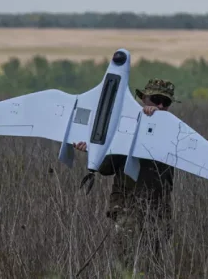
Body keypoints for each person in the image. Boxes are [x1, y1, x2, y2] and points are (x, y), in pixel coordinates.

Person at [73, 78, 180, 270]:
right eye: (155, 99)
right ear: (144, 99)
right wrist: (92, 151)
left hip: (158, 210)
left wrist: (154, 124)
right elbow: (106, 168)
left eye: (166, 102)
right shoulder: (126, 126)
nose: (160, 106)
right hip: (127, 207)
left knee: (154, 266)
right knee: (126, 263)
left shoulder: (174, 130)